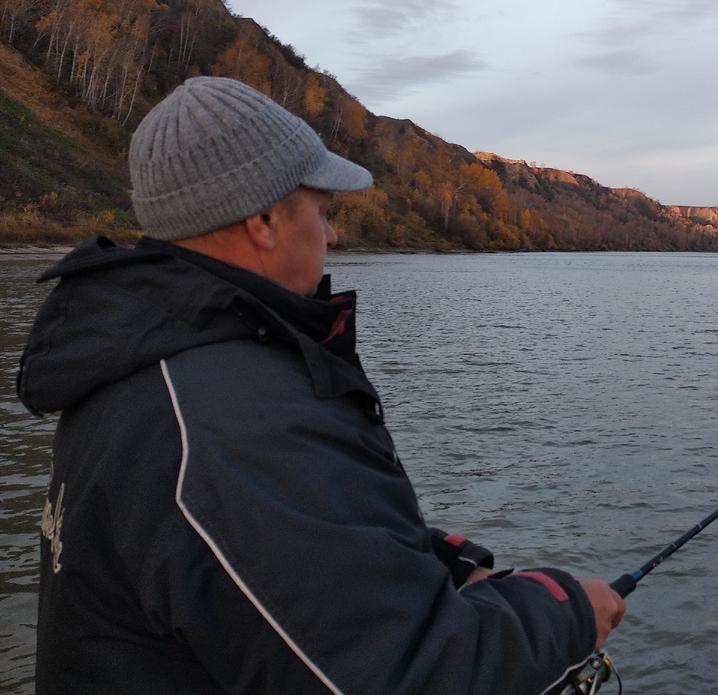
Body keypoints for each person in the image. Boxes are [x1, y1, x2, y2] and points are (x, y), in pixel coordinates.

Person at [17, 76, 624, 695]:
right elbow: (412, 675)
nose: (333, 236)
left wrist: (437, 561)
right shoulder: (231, 416)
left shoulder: (141, 365)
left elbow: (266, 551)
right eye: (323, 212)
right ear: (264, 220)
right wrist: (568, 610)